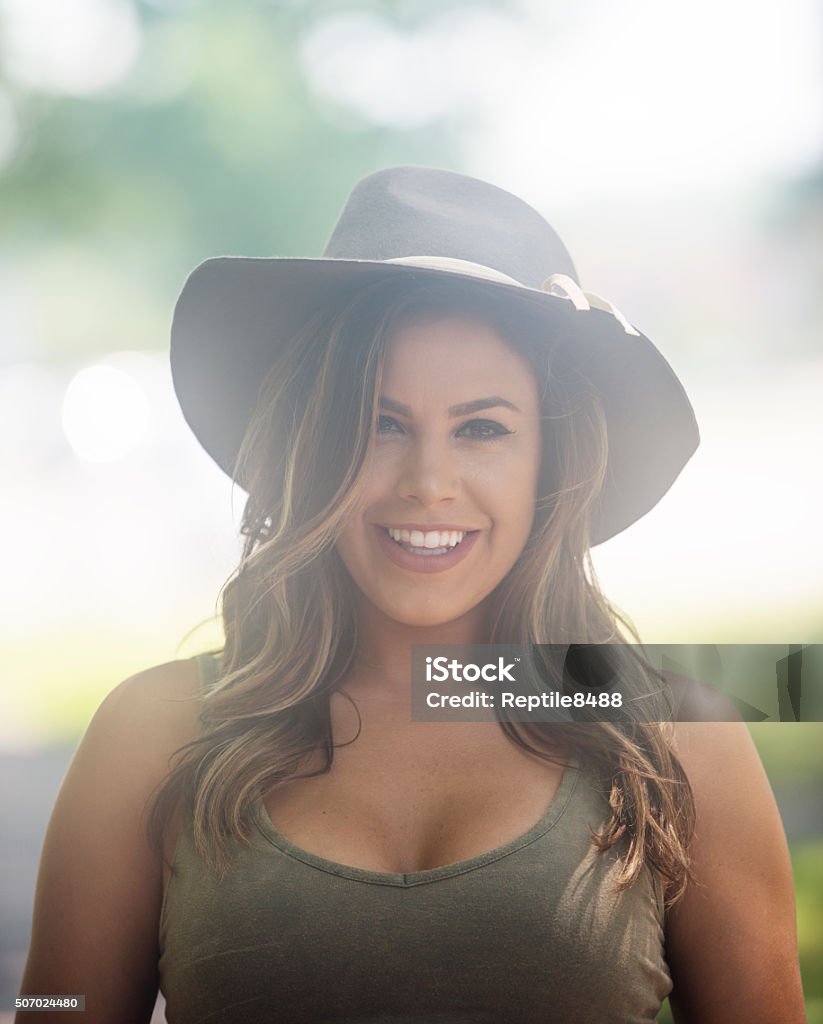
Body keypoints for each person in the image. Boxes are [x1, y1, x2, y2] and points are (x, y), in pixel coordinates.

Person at [18, 166, 805, 1023]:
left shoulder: (675, 737)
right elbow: (58, 1006)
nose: (429, 483)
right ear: (310, 444)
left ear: (553, 460)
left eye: (482, 428)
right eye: (378, 422)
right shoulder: (153, 732)